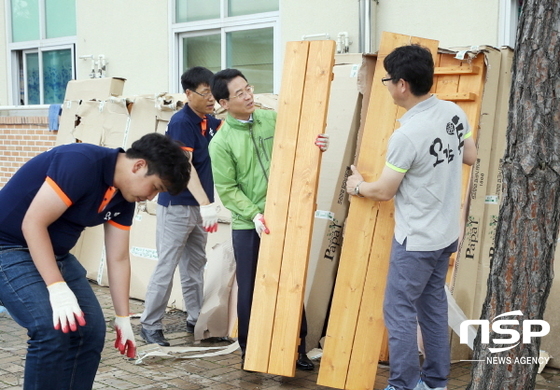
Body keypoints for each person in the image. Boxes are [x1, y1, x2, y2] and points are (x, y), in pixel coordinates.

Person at [0, 132, 190, 390]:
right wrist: (56, 287)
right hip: (8, 247)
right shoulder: (81, 163)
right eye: (155, 187)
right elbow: (33, 223)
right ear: (138, 166)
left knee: (90, 330)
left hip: (55, 254)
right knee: (50, 327)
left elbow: (118, 257)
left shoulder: (124, 195)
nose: (152, 197)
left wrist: (123, 316)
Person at [345, 45, 477, 390]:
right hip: (445, 233)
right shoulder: (452, 112)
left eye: (388, 80)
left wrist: (358, 186)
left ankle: (402, 385)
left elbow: (384, 191)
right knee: (432, 308)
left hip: (417, 240)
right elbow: (471, 156)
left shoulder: (406, 135)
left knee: (399, 311)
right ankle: (435, 383)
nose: (386, 86)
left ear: (402, 84)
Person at [208, 68, 329, 371]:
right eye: (239, 93)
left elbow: (300, 144)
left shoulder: (271, 119)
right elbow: (228, 189)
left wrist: (318, 144)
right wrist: (254, 214)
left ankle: (297, 348)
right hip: (250, 225)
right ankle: (251, 351)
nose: (248, 96)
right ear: (224, 102)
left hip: (286, 216)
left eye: (248, 89)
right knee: (250, 289)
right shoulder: (220, 143)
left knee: (291, 281)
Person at [140, 66, 222, 346]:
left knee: (195, 266)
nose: (211, 99)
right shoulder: (180, 122)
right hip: (176, 207)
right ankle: (150, 325)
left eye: (214, 93)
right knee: (167, 265)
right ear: (189, 94)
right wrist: (205, 203)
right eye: (205, 93)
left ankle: (195, 319)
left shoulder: (210, 122)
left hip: (201, 209)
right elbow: (186, 167)